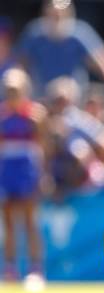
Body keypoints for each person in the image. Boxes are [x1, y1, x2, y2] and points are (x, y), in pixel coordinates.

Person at [0, 69, 47, 281]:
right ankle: (10, 270)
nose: (11, 95)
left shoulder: (35, 116)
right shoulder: (2, 116)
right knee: (9, 223)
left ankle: (35, 270)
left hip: (27, 170)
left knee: (30, 222)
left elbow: (43, 146)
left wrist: (42, 174)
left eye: (15, 90)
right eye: (8, 90)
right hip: (7, 170)